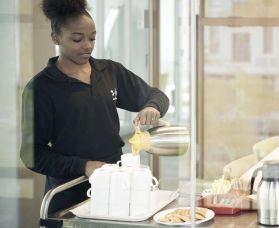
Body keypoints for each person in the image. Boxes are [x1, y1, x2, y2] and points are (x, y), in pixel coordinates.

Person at [19, 0, 169, 213]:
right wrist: (85, 167)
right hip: (68, 195)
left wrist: (152, 107)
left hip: (114, 190)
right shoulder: (41, 88)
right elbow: (31, 154)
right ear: (56, 37)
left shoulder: (109, 72)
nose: (87, 45)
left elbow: (157, 95)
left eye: (92, 38)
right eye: (77, 39)